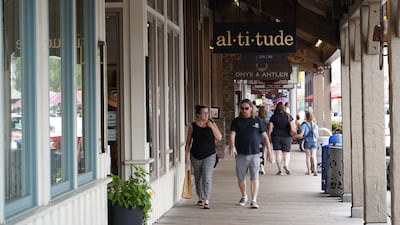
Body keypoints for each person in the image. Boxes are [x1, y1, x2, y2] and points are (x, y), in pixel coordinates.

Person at [229, 99, 273, 209]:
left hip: (254, 153)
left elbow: (265, 136)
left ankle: (254, 200)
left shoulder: (258, 120)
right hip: (241, 154)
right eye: (242, 108)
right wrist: (232, 145)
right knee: (241, 178)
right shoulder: (236, 121)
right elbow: (232, 134)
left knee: (254, 177)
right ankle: (244, 195)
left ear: (251, 109)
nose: (244, 110)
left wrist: (270, 152)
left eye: (246, 108)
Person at [185, 105, 222, 209]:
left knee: (207, 176)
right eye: (204, 113)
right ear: (198, 115)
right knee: (198, 177)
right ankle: (200, 197)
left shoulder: (212, 124)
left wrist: (211, 127)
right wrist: (186, 156)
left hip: (209, 155)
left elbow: (219, 137)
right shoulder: (193, 126)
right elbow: (188, 142)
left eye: (207, 113)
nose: (206, 115)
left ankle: (206, 200)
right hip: (195, 155)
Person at [268, 102, 293, 175]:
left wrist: (269, 136)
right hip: (287, 136)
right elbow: (293, 126)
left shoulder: (274, 116)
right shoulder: (288, 116)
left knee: (278, 153)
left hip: (276, 136)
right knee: (286, 153)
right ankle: (286, 164)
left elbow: (270, 128)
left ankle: (280, 170)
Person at [296, 112, 319, 176]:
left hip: (307, 142)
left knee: (308, 157)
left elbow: (301, 134)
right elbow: (317, 136)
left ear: (306, 117)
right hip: (314, 141)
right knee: (314, 156)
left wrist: (295, 136)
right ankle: (315, 170)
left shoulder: (304, 125)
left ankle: (309, 171)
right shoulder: (315, 125)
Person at [256, 105, 269, 175]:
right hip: (263, 138)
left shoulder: (256, 119)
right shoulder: (267, 120)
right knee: (262, 153)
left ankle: (258, 166)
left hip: (256, 138)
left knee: (257, 153)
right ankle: (262, 166)